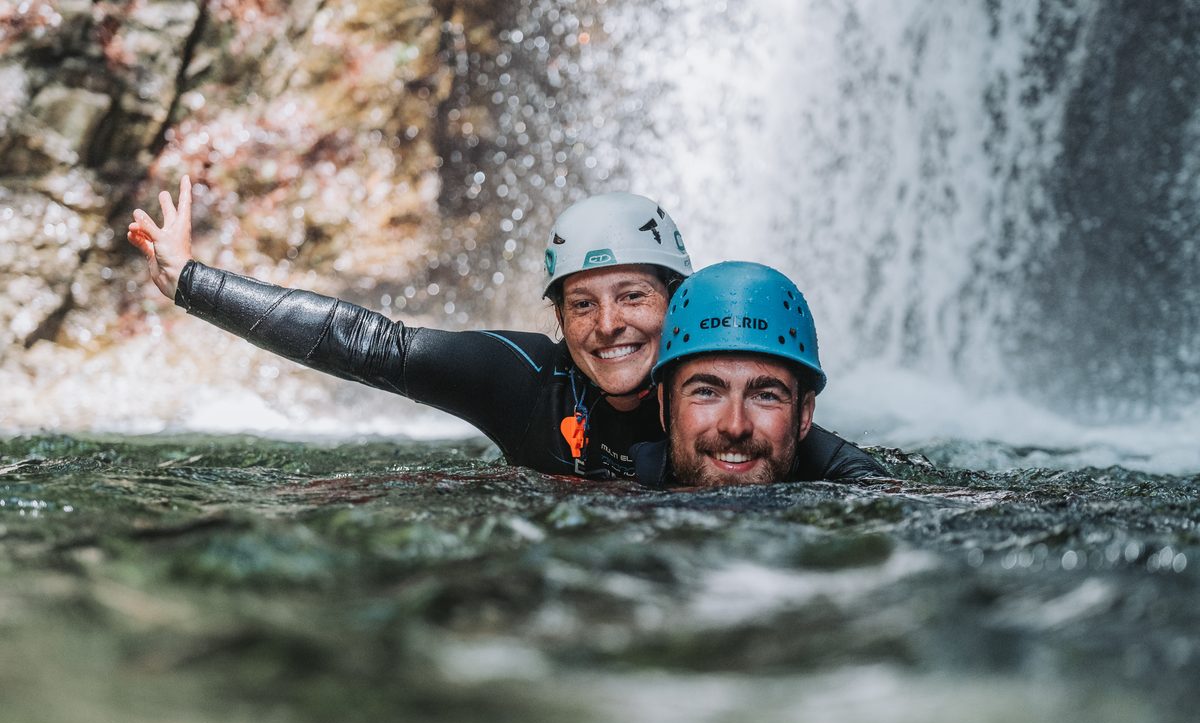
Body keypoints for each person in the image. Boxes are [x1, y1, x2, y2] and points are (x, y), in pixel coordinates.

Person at [129, 177, 692, 479]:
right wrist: (191, 282)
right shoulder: (529, 386)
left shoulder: (739, 385)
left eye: (634, 296)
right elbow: (370, 345)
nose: (609, 325)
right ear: (560, 319)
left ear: (678, 298)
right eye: (583, 305)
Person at [631, 261, 887, 487]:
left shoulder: (865, 496)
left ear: (805, 413)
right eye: (706, 392)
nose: (735, 426)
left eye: (765, 396)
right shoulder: (622, 483)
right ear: (665, 403)